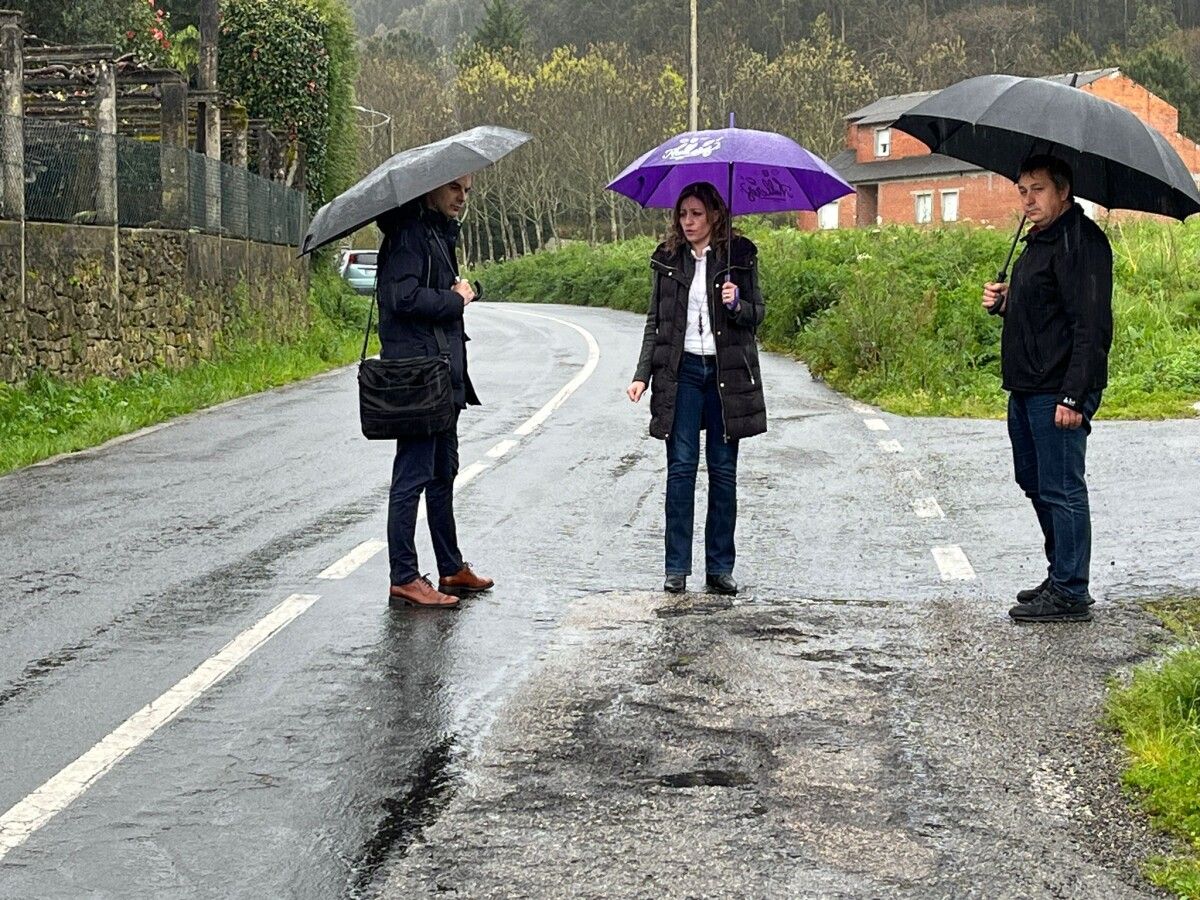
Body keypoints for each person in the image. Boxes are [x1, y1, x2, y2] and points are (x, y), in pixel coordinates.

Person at [982, 155, 1113, 623]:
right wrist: (1005, 302)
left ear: (1063, 191)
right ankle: (1061, 572)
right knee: (1035, 483)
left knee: (1062, 488)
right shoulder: (1038, 241)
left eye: (1037, 189)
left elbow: (1091, 326)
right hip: (1026, 385)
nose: (1028, 199)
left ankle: (1072, 591)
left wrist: (1074, 396)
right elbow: (1045, 307)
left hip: (1057, 387)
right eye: (1022, 190)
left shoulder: (1082, 243)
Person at [626, 181, 766, 596]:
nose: (688, 222)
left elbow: (757, 314)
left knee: (723, 473)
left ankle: (720, 568)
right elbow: (656, 323)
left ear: (715, 215)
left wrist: (736, 304)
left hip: (726, 375)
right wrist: (641, 375)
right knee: (681, 470)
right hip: (682, 373)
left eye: (697, 214)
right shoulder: (667, 259)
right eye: (683, 214)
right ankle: (676, 568)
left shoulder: (739, 256)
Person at [375, 175, 494, 609]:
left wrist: (458, 295)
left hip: (442, 376)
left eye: (467, 190)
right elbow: (400, 299)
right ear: (429, 190)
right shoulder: (409, 235)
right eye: (454, 189)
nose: (462, 198)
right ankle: (404, 575)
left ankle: (450, 567)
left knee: (443, 472)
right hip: (418, 378)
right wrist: (455, 299)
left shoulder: (435, 233)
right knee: (412, 477)